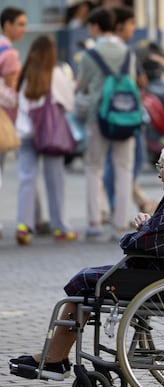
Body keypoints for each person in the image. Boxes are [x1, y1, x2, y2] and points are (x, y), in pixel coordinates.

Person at [9, 139, 164, 381]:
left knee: (83, 281)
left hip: (158, 276)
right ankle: (55, 356)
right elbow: (161, 232)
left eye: (161, 165)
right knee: (86, 280)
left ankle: (53, 358)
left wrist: (133, 235)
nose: (159, 173)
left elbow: (145, 242)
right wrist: (148, 224)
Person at [76, 6, 136, 239]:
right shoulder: (127, 52)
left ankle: (94, 222)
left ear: (96, 27)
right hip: (125, 115)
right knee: (124, 169)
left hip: (97, 117)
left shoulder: (90, 54)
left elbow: (82, 85)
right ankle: (120, 226)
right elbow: (130, 81)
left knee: (93, 168)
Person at [14, 35, 78, 245]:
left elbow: (20, 103)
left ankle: (24, 225)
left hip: (25, 132)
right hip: (50, 134)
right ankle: (60, 227)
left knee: (26, 179)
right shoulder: (56, 73)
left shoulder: (25, 74)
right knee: (55, 181)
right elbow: (68, 103)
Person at [102, 5, 157, 221]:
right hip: (128, 113)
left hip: (106, 113)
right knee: (132, 161)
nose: (134, 28)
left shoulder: (99, 49)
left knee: (109, 161)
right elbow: (141, 81)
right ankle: (119, 207)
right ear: (120, 26)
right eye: (132, 24)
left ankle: (115, 204)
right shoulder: (127, 51)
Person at [0, 7, 27, 238]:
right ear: (7, 24)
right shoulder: (9, 53)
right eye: (19, 23)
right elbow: (11, 91)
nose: (23, 29)